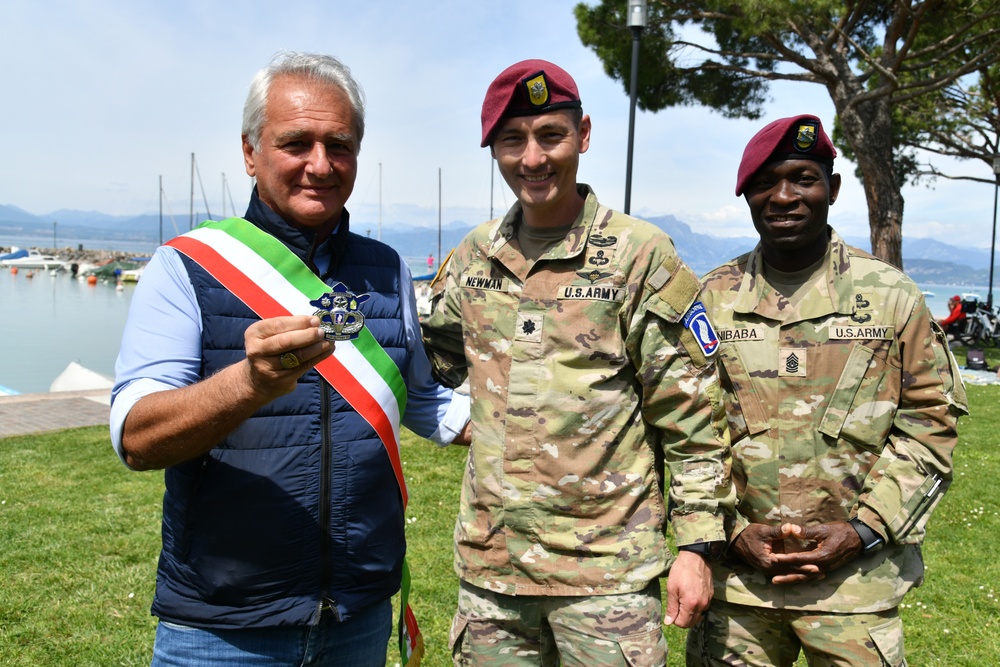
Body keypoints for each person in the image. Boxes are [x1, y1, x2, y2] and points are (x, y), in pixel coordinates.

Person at [110, 51, 470, 667]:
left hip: (358, 619)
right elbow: (137, 438)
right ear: (250, 153)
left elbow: (424, 398)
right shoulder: (186, 267)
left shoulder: (386, 269)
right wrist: (248, 384)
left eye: (340, 145)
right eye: (296, 143)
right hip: (221, 628)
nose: (320, 165)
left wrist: (540, 421)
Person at [420, 59, 735, 666]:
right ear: (493, 150)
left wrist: (697, 548)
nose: (533, 158)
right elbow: (434, 364)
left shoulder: (640, 256)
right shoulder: (474, 257)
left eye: (550, 135)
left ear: (583, 135)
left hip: (607, 580)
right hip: (494, 577)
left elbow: (692, 416)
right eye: (512, 140)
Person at [694, 115, 968, 666]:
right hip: (738, 585)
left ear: (833, 189)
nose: (784, 197)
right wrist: (723, 532)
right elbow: (683, 425)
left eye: (803, 179)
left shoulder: (890, 297)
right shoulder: (711, 300)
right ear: (747, 196)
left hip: (854, 590)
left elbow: (931, 419)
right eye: (765, 183)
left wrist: (865, 531)